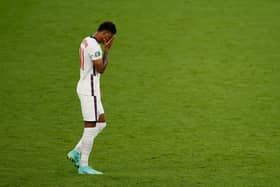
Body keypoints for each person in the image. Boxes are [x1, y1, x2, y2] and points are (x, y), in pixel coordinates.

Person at [67, 21, 117, 174]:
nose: (107, 41)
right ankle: (83, 165)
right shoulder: (95, 46)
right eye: (108, 37)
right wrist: (107, 51)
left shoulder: (86, 40)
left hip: (89, 87)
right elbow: (100, 68)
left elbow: (91, 71)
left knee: (101, 123)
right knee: (90, 126)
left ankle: (76, 152)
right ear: (103, 33)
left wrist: (97, 86)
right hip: (89, 91)